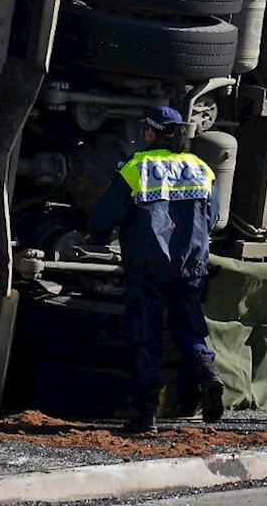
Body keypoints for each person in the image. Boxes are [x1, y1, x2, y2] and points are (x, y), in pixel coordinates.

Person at [90, 106, 224, 434]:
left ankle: (145, 416)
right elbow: (213, 218)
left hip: (147, 266)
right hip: (191, 265)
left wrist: (96, 235)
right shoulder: (201, 168)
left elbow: (106, 216)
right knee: (190, 330)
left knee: (145, 335)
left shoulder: (137, 168)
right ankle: (207, 372)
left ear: (151, 132)